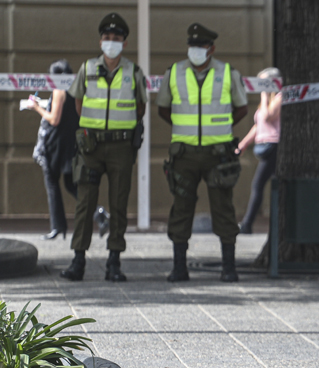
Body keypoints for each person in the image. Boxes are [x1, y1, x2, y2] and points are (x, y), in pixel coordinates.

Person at [157, 23, 249, 282]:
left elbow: (241, 108)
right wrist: (182, 126)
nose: (195, 50)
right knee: (181, 208)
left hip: (217, 153)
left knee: (223, 209)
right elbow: (162, 108)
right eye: (192, 45)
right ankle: (179, 268)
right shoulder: (174, 72)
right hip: (184, 154)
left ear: (211, 49)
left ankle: (228, 268)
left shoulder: (227, 72)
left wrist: (220, 126)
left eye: (201, 46)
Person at [60, 13, 147, 282]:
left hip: (121, 146)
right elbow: (78, 103)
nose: (111, 42)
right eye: (107, 38)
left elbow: (140, 106)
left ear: (125, 42)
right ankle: (78, 261)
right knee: (85, 204)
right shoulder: (87, 69)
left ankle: (114, 262)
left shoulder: (133, 72)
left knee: (119, 204)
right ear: (100, 41)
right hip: (91, 146)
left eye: (117, 38)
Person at [30, 60, 79, 240]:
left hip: (55, 144)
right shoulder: (74, 90)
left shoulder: (59, 90)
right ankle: (98, 211)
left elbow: (54, 119)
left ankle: (57, 227)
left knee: (52, 183)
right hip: (69, 143)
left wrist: (36, 108)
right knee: (70, 183)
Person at [236, 67, 282, 234]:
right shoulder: (267, 100)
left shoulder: (279, 97)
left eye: (264, 83)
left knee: (258, 184)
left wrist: (264, 94)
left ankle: (247, 224)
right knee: (276, 185)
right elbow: (258, 125)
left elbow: (269, 116)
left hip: (274, 146)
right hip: (263, 145)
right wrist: (243, 144)